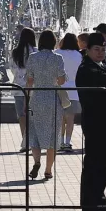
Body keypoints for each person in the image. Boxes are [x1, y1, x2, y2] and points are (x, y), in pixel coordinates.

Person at [75, 32, 106, 211]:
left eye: (103, 49)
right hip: (96, 122)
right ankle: (90, 203)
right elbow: (99, 91)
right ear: (87, 50)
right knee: (94, 164)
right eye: (97, 49)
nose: (101, 53)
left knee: (103, 164)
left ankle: (99, 199)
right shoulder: (87, 69)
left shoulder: (103, 66)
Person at [22, 31, 65, 181]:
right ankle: (48, 170)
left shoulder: (33, 58)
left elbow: (29, 81)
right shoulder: (58, 58)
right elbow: (61, 80)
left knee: (34, 133)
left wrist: (27, 98)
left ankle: (37, 162)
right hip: (52, 98)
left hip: (37, 97)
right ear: (54, 42)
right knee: (52, 135)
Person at [9, 28, 36, 152]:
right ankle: (33, 141)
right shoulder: (36, 52)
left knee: (21, 115)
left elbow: (12, 68)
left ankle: (25, 142)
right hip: (34, 88)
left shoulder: (15, 52)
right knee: (32, 115)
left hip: (18, 87)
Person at [57, 32, 83, 152]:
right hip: (73, 89)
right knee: (70, 118)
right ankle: (68, 142)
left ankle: (60, 140)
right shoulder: (78, 55)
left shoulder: (57, 53)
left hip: (59, 88)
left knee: (61, 117)